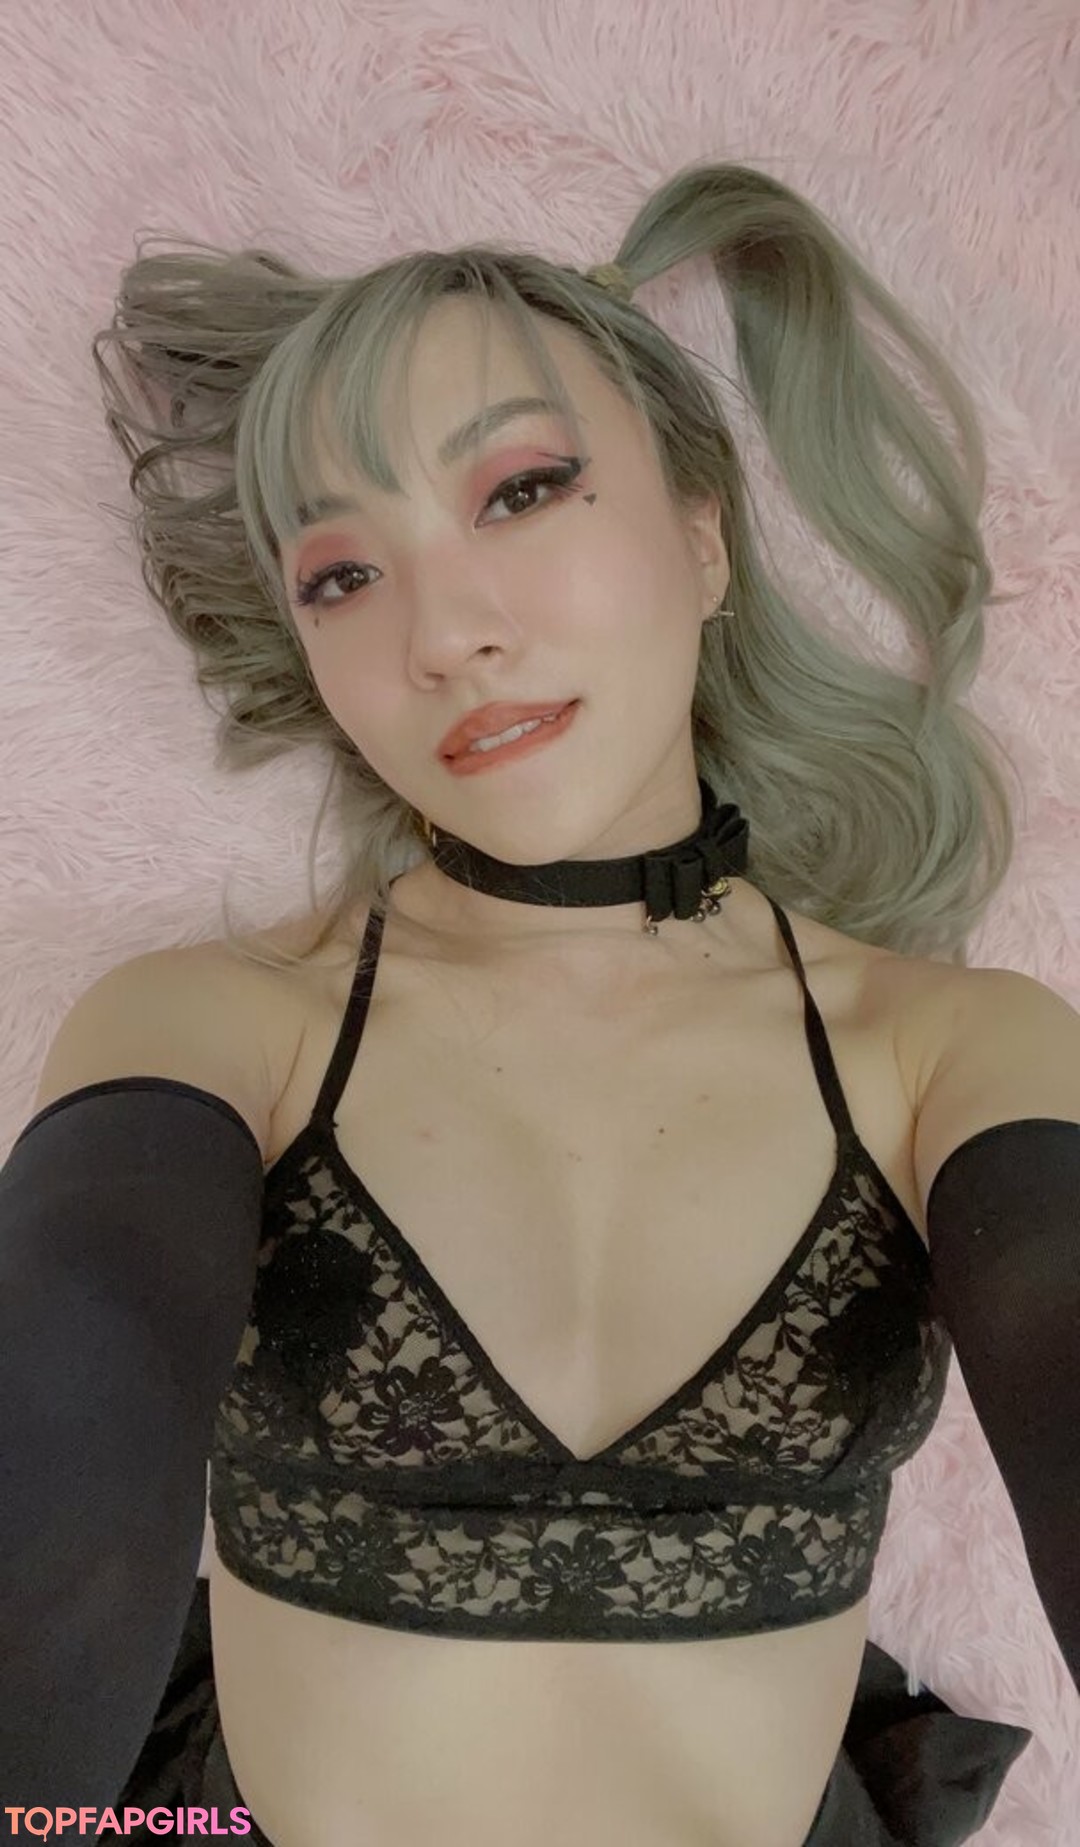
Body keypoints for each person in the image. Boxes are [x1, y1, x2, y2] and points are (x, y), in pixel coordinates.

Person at [3, 160, 1076, 1845]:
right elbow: (67, 1424)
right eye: (342, 576)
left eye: (519, 490)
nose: (445, 633)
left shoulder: (952, 1052)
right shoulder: (212, 1033)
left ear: (705, 538)